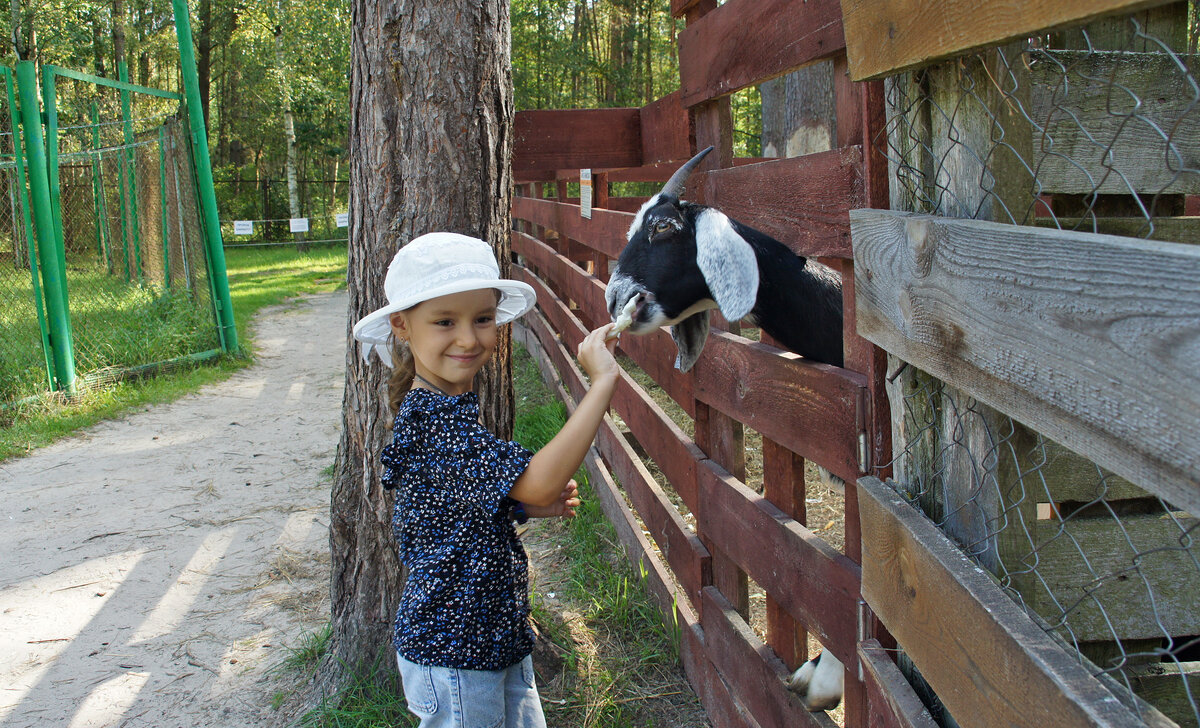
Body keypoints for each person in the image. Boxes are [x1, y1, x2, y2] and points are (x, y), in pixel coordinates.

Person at [352, 231, 620, 727]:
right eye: (444, 322)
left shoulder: (445, 408)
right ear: (402, 326)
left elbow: (443, 510)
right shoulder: (434, 419)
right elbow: (539, 480)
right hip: (454, 654)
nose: (469, 338)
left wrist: (520, 507)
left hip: (490, 638)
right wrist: (601, 383)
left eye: (482, 319)